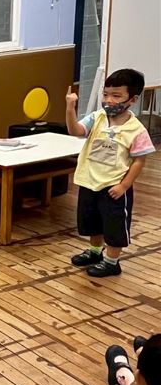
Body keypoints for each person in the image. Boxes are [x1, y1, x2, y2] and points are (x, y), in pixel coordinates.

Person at [66, 69, 155, 277]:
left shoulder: (136, 129)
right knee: (92, 221)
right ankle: (95, 251)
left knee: (114, 224)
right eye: (106, 94)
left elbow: (139, 160)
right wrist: (70, 108)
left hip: (113, 187)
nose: (109, 100)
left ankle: (112, 262)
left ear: (132, 99)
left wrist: (124, 185)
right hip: (90, 181)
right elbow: (75, 131)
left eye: (116, 96)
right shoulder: (97, 118)